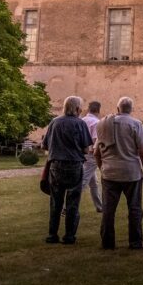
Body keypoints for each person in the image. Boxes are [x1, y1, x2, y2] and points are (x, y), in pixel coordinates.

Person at [95, 96, 143, 249]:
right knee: (134, 208)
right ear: (131, 109)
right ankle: (135, 242)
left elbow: (96, 153)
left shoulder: (103, 124)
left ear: (117, 108)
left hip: (109, 173)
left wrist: (102, 168)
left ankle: (107, 242)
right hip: (131, 173)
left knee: (108, 209)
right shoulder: (135, 124)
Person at [42, 95, 93, 245]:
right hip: (74, 165)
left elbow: (45, 146)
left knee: (55, 202)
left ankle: (52, 235)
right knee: (72, 202)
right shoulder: (80, 124)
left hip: (56, 166)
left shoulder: (54, 122)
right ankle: (69, 236)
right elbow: (85, 149)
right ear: (77, 109)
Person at [80, 101, 104, 213]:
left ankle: (99, 206)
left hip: (82, 154)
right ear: (98, 110)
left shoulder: (82, 120)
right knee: (83, 181)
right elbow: (95, 141)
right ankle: (67, 206)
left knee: (93, 183)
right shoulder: (96, 122)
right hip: (91, 155)